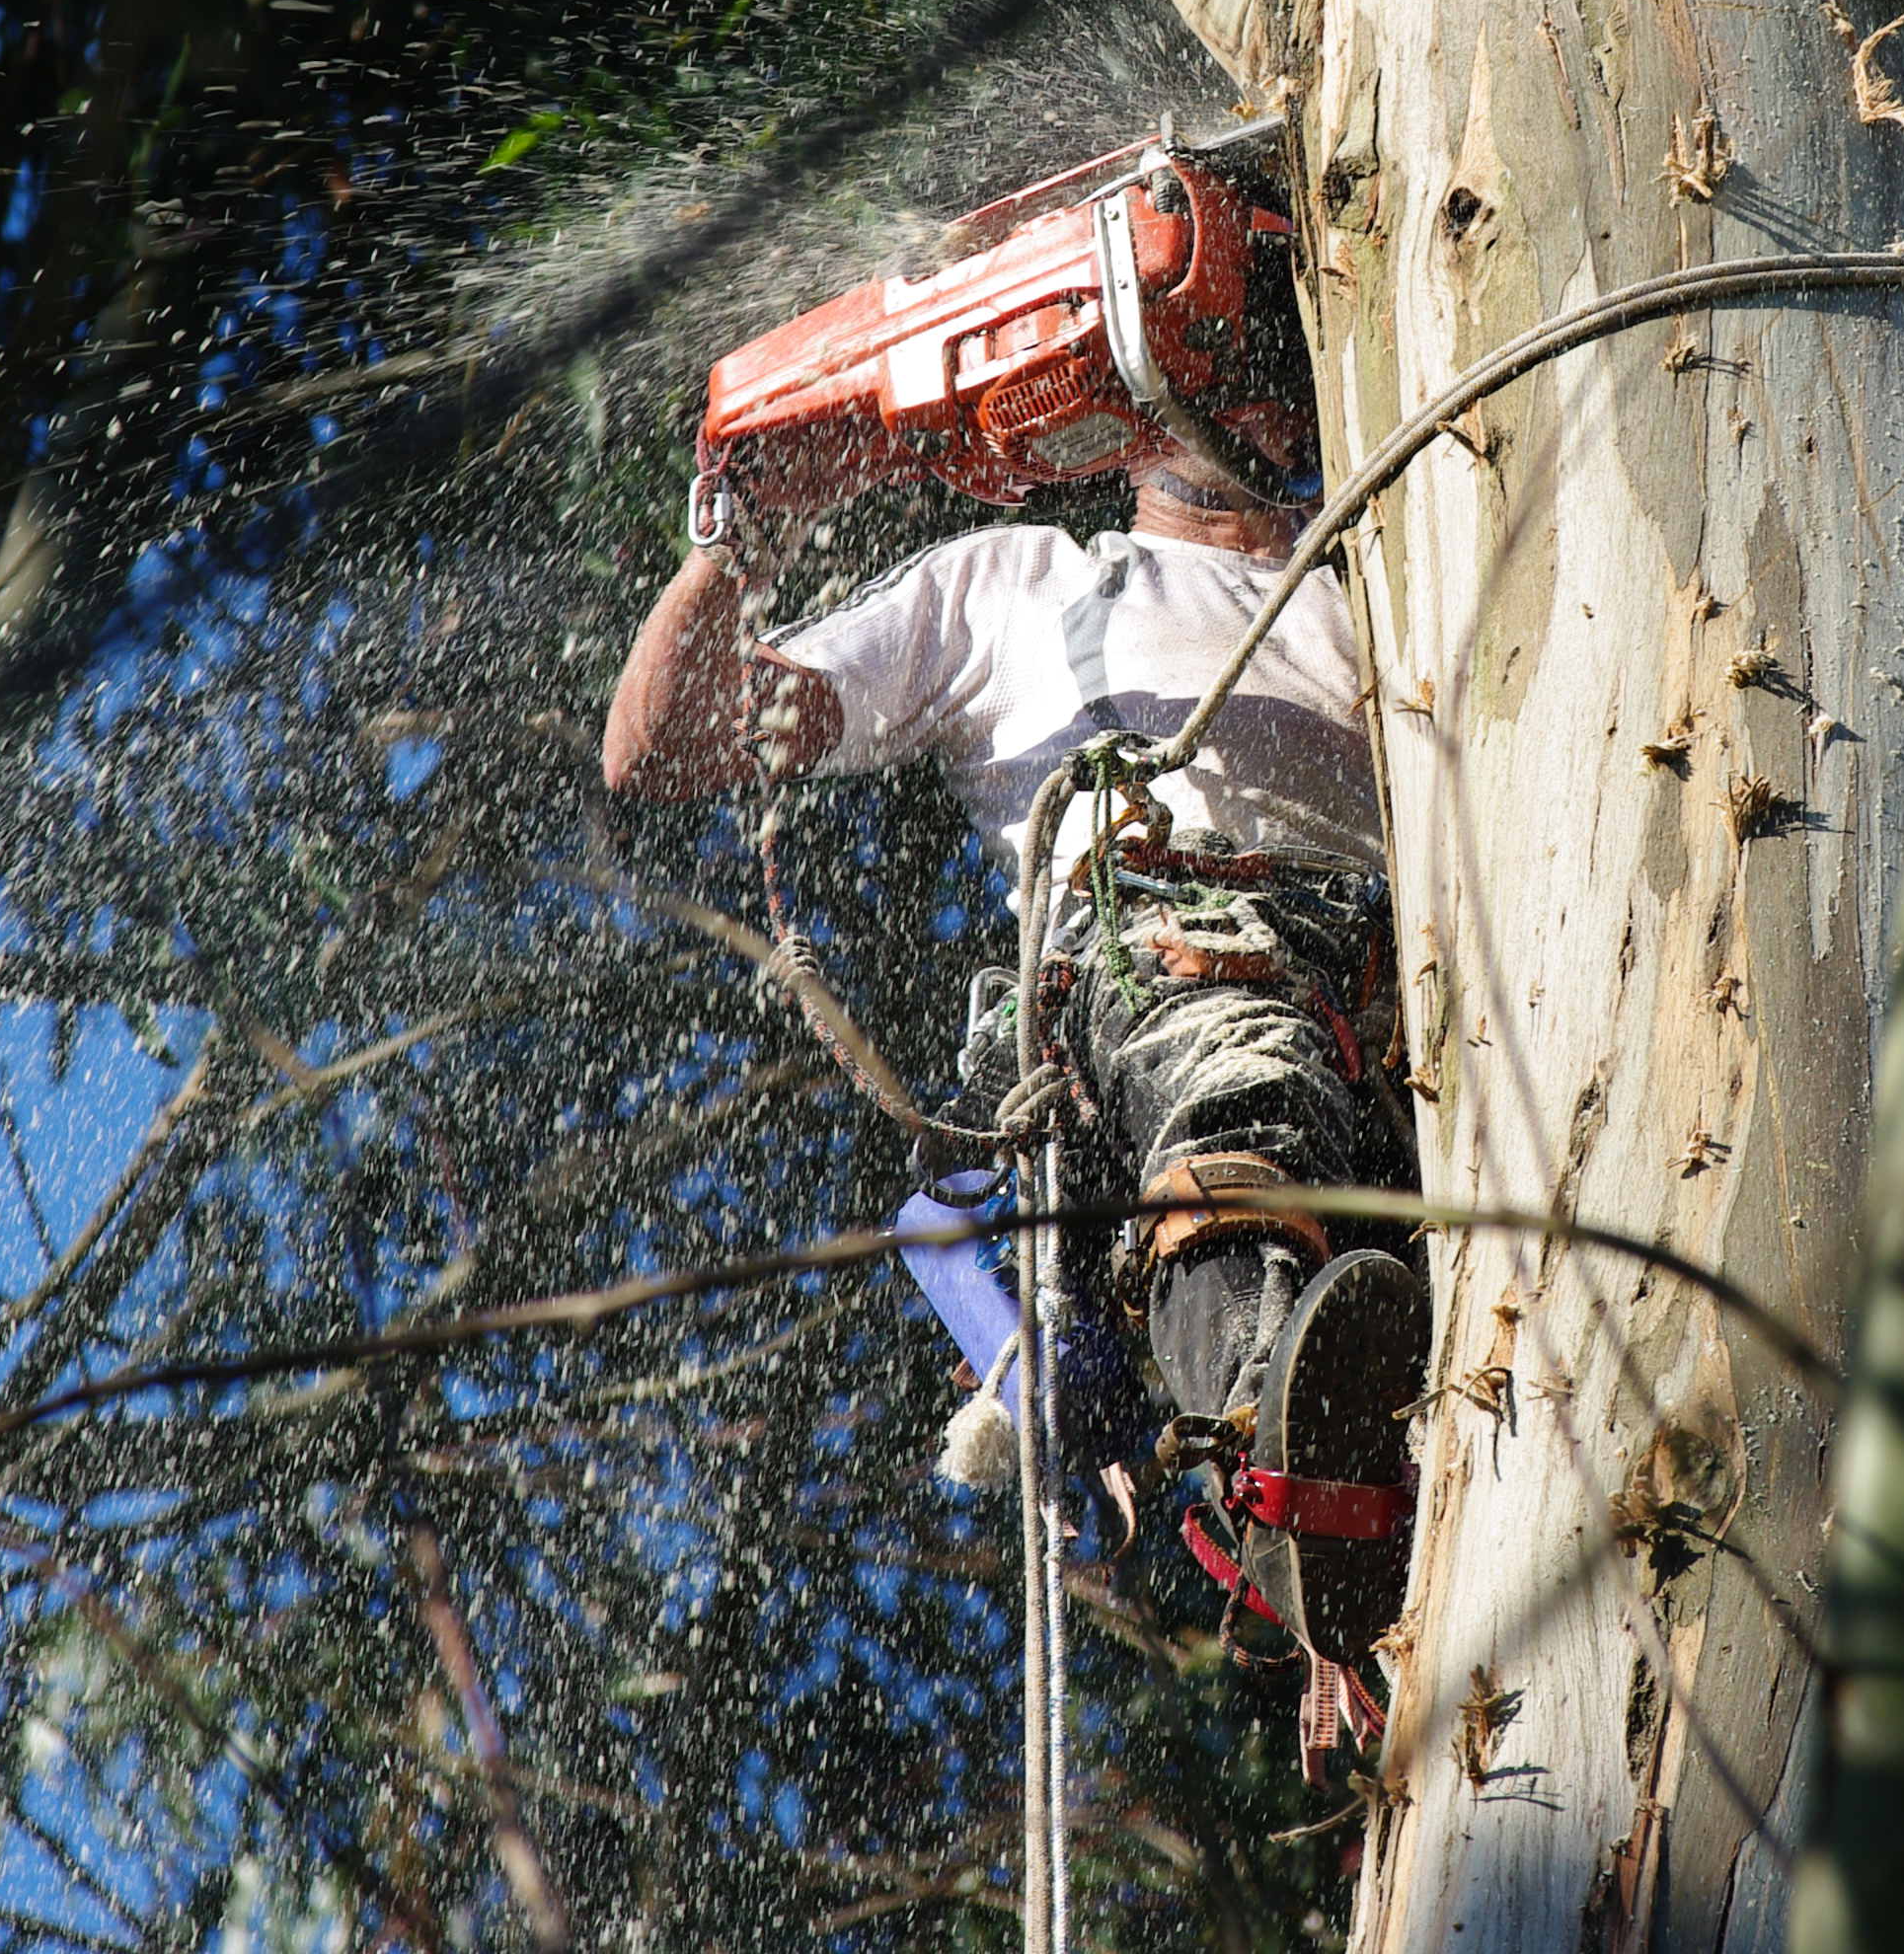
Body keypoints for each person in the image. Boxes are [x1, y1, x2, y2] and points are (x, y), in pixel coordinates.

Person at [600, 442, 1426, 1680]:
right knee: (1228, 1063)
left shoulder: (1398, 554)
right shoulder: (1015, 585)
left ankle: (1353, 1468)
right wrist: (746, 522)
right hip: (1165, 948)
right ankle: (1271, 1442)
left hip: (1410, 991)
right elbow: (666, 743)